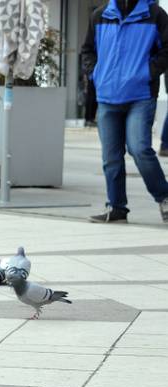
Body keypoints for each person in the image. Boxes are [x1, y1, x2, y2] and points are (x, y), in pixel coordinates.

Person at [81, 0, 168, 224]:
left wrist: (147, 72)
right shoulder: (100, 16)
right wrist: (96, 75)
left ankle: (165, 197)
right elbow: (87, 51)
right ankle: (117, 207)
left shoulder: (155, 15)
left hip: (141, 95)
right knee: (111, 157)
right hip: (107, 97)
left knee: (139, 149)